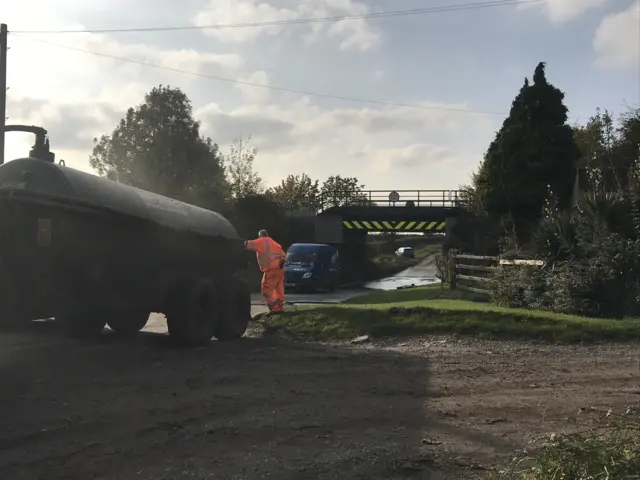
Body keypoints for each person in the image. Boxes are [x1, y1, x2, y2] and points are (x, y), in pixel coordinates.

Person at [244, 230, 286, 314]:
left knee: (266, 290)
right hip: (280, 269)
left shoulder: (261, 241)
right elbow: (283, 256)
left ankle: (274, 309)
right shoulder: (275, 243)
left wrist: (243, 239)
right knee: (278, 288)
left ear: (260, 236)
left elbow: (246, 244)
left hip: (270, 269)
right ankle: (280, 307)